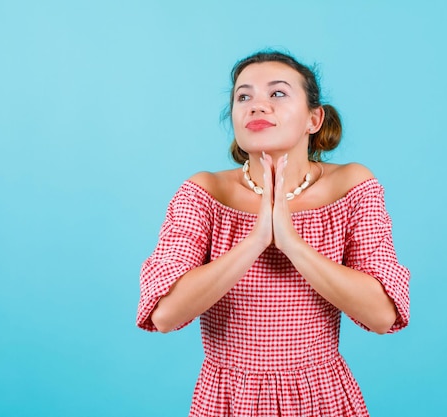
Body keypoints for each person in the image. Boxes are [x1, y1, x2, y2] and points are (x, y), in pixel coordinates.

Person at [136, 50, 410, 416]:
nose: (257, 106)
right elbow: (164, 315)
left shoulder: (351, 185)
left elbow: (383, 315)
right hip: (229, 400)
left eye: (277, 94)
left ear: (314, 118)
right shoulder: (203, 192)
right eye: (243, 96)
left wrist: (292, 243)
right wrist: (255, 241)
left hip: (321, 396)